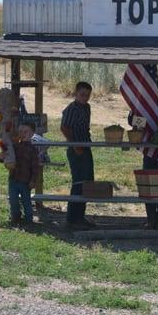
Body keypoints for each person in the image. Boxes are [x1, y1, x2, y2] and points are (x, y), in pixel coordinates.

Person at [129, 97, 158, 229]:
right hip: (149, 155)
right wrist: (135, 110)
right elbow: (134, 123)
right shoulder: (148, 118)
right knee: (148, 187)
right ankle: (150, 219)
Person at [60, 81, 95, 229]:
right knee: (78, 183)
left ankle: (80, 216)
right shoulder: (71, 109)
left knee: (87, 182)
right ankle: (72, 218)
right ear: (76, 93)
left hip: (86, 146)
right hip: (76, 149)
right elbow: (64, 128)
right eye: (82, 94)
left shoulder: (87, 107)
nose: (85, 97)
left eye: (87, 95)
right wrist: (75, 145)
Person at [0, 122, 39, 226]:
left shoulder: (33, 150)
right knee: (13, 200)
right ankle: (15, 217)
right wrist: (1, 157)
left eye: (26, 132)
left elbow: (35, 167)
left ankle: (28, 220)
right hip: (13, 178)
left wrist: (33, 180)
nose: (22, 134)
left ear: (32, 134)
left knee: (26, 201)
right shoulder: (14, 146)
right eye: (20, 131)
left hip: (25, 181)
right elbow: (6, 156)